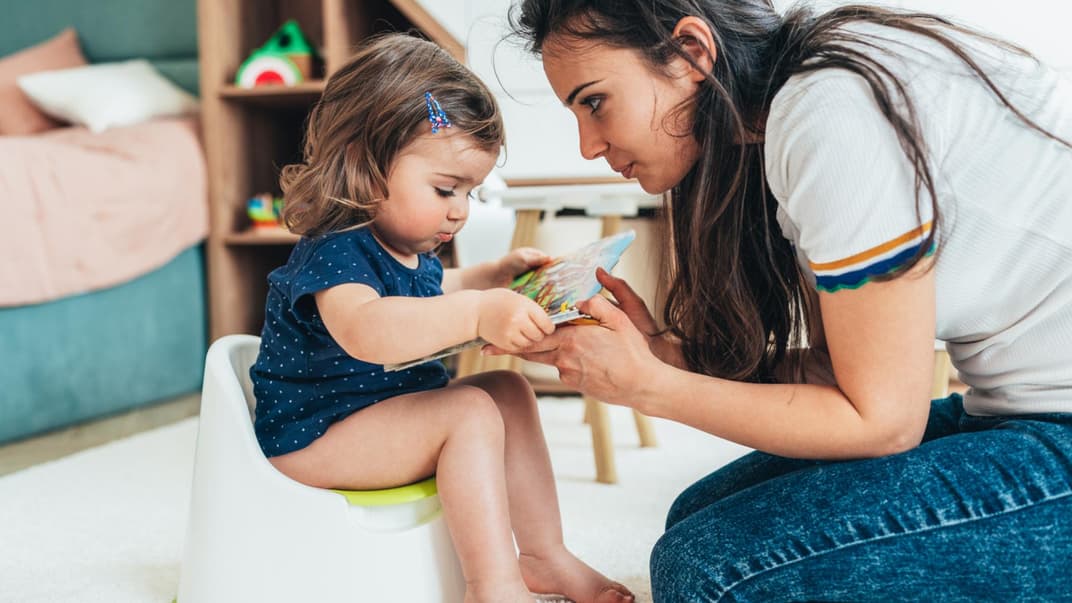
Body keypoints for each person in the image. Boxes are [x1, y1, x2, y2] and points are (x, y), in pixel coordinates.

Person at [501, 1, 1072, 600]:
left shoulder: (833, 113)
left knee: (715, 571)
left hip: (1055, 424)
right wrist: (670, 359)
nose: (589, 145)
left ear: (692, 53)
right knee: (698, 516)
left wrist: (647, 386)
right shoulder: (802, 106)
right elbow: (842, 379)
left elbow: (882, 423)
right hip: (1016, 412)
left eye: (594, 102)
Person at [250, 33, 634, 603]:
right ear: (365, 163)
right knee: (471, 413)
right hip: (316, 436)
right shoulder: (336, 248)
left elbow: (426, 296)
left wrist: (489, 278)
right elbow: (370, 328)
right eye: (445, 188)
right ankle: (494, 587)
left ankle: (544, 556)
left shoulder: (408, 249)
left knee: (505, 389)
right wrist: (479, 311)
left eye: (470, 192)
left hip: (374, 416)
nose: (460, 209)